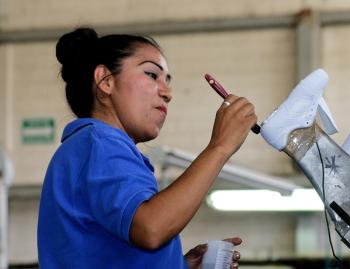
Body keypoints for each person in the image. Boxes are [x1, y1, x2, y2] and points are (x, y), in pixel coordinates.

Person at [37, 27, 257, 268]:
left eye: (167, 81)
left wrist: (176, 264)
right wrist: (220, 147)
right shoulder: (99, 144)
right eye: (152, 75)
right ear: (106, 81)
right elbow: (151, 228)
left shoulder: (91, 149)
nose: (167, 92)